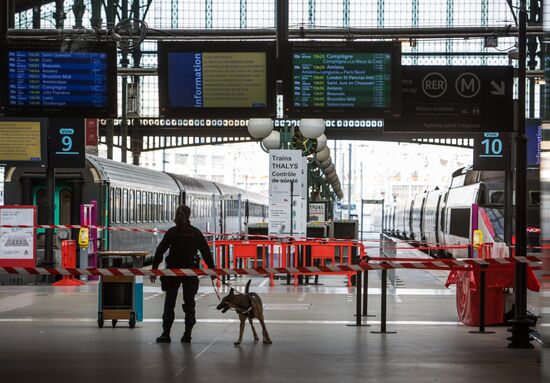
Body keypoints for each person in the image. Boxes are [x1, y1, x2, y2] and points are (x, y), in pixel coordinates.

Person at [150, 205, 215, 343]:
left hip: (173, 273)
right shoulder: (196, 233)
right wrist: (212, 270)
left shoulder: (172, 232)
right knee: (189, 304)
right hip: (190, 273)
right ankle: (187, 335)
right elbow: (206, 253)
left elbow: (160, 251)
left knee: (169, 303)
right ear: (189, 215)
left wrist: (155, 269)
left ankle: (165, 334)